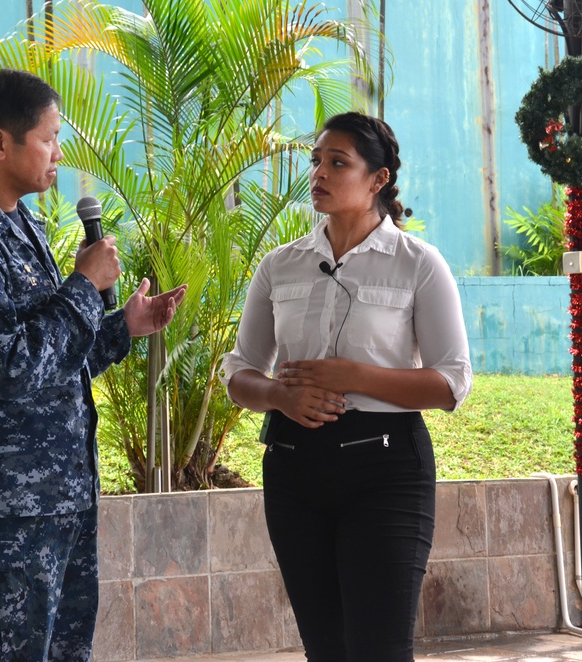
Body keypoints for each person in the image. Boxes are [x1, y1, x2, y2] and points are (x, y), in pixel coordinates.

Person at [0, 69, 186, 661]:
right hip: (0, 514)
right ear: (0, 143)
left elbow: (48, 359)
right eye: (49, 137)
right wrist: (83, 287)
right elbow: (6, 368)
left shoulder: (15, 223)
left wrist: (120, 326)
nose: (59, 153)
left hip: (57, 501)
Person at [220, 111, 472, 661]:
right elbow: (238, 371)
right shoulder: (279, 266)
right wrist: (278, 396)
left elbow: (452, 383)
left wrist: (356, 377)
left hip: (384, 471)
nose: (320, 174)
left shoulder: (418, 265)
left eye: (338, 163)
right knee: (325, 649)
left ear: (378, 179)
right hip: (293, 468)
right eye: (316, 161)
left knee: (378, 649)